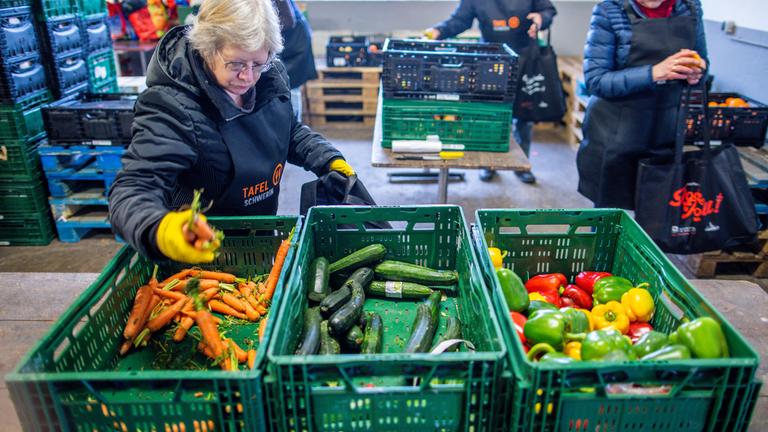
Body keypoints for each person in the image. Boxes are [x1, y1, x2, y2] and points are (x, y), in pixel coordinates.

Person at [108, 0, 354, 264]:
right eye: (236, 64)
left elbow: (286, 130)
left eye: (258, 63)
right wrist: (162, 230)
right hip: (198, 251)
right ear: (207, 49)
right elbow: (131, 190)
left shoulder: (270, 76)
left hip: (258, 234)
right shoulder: (171, 105)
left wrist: (326, 157)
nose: (248, 77)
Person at [576, 0, 707, 209]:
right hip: (615, 135)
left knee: (656, 215)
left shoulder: (690, 7)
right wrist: (654, 73)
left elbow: (702, 63)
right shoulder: (610, 10)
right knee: (609, 217)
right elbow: (596, 80)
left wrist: (696, 73)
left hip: (664, 133)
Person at [425, 0, 557, 184]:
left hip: (524, 57)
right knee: (490, 116)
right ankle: (489, 164)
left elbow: (548, 9)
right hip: (491, 59)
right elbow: (460, 20)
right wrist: (438, 30)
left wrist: (541, 18)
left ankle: (521, 165)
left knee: (523, 117)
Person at [273, 0, 317, 120]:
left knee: (290, 86)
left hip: (296, 42)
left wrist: (262, 24)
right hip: (285, 41)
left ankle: (294, 126)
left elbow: (288, 20)